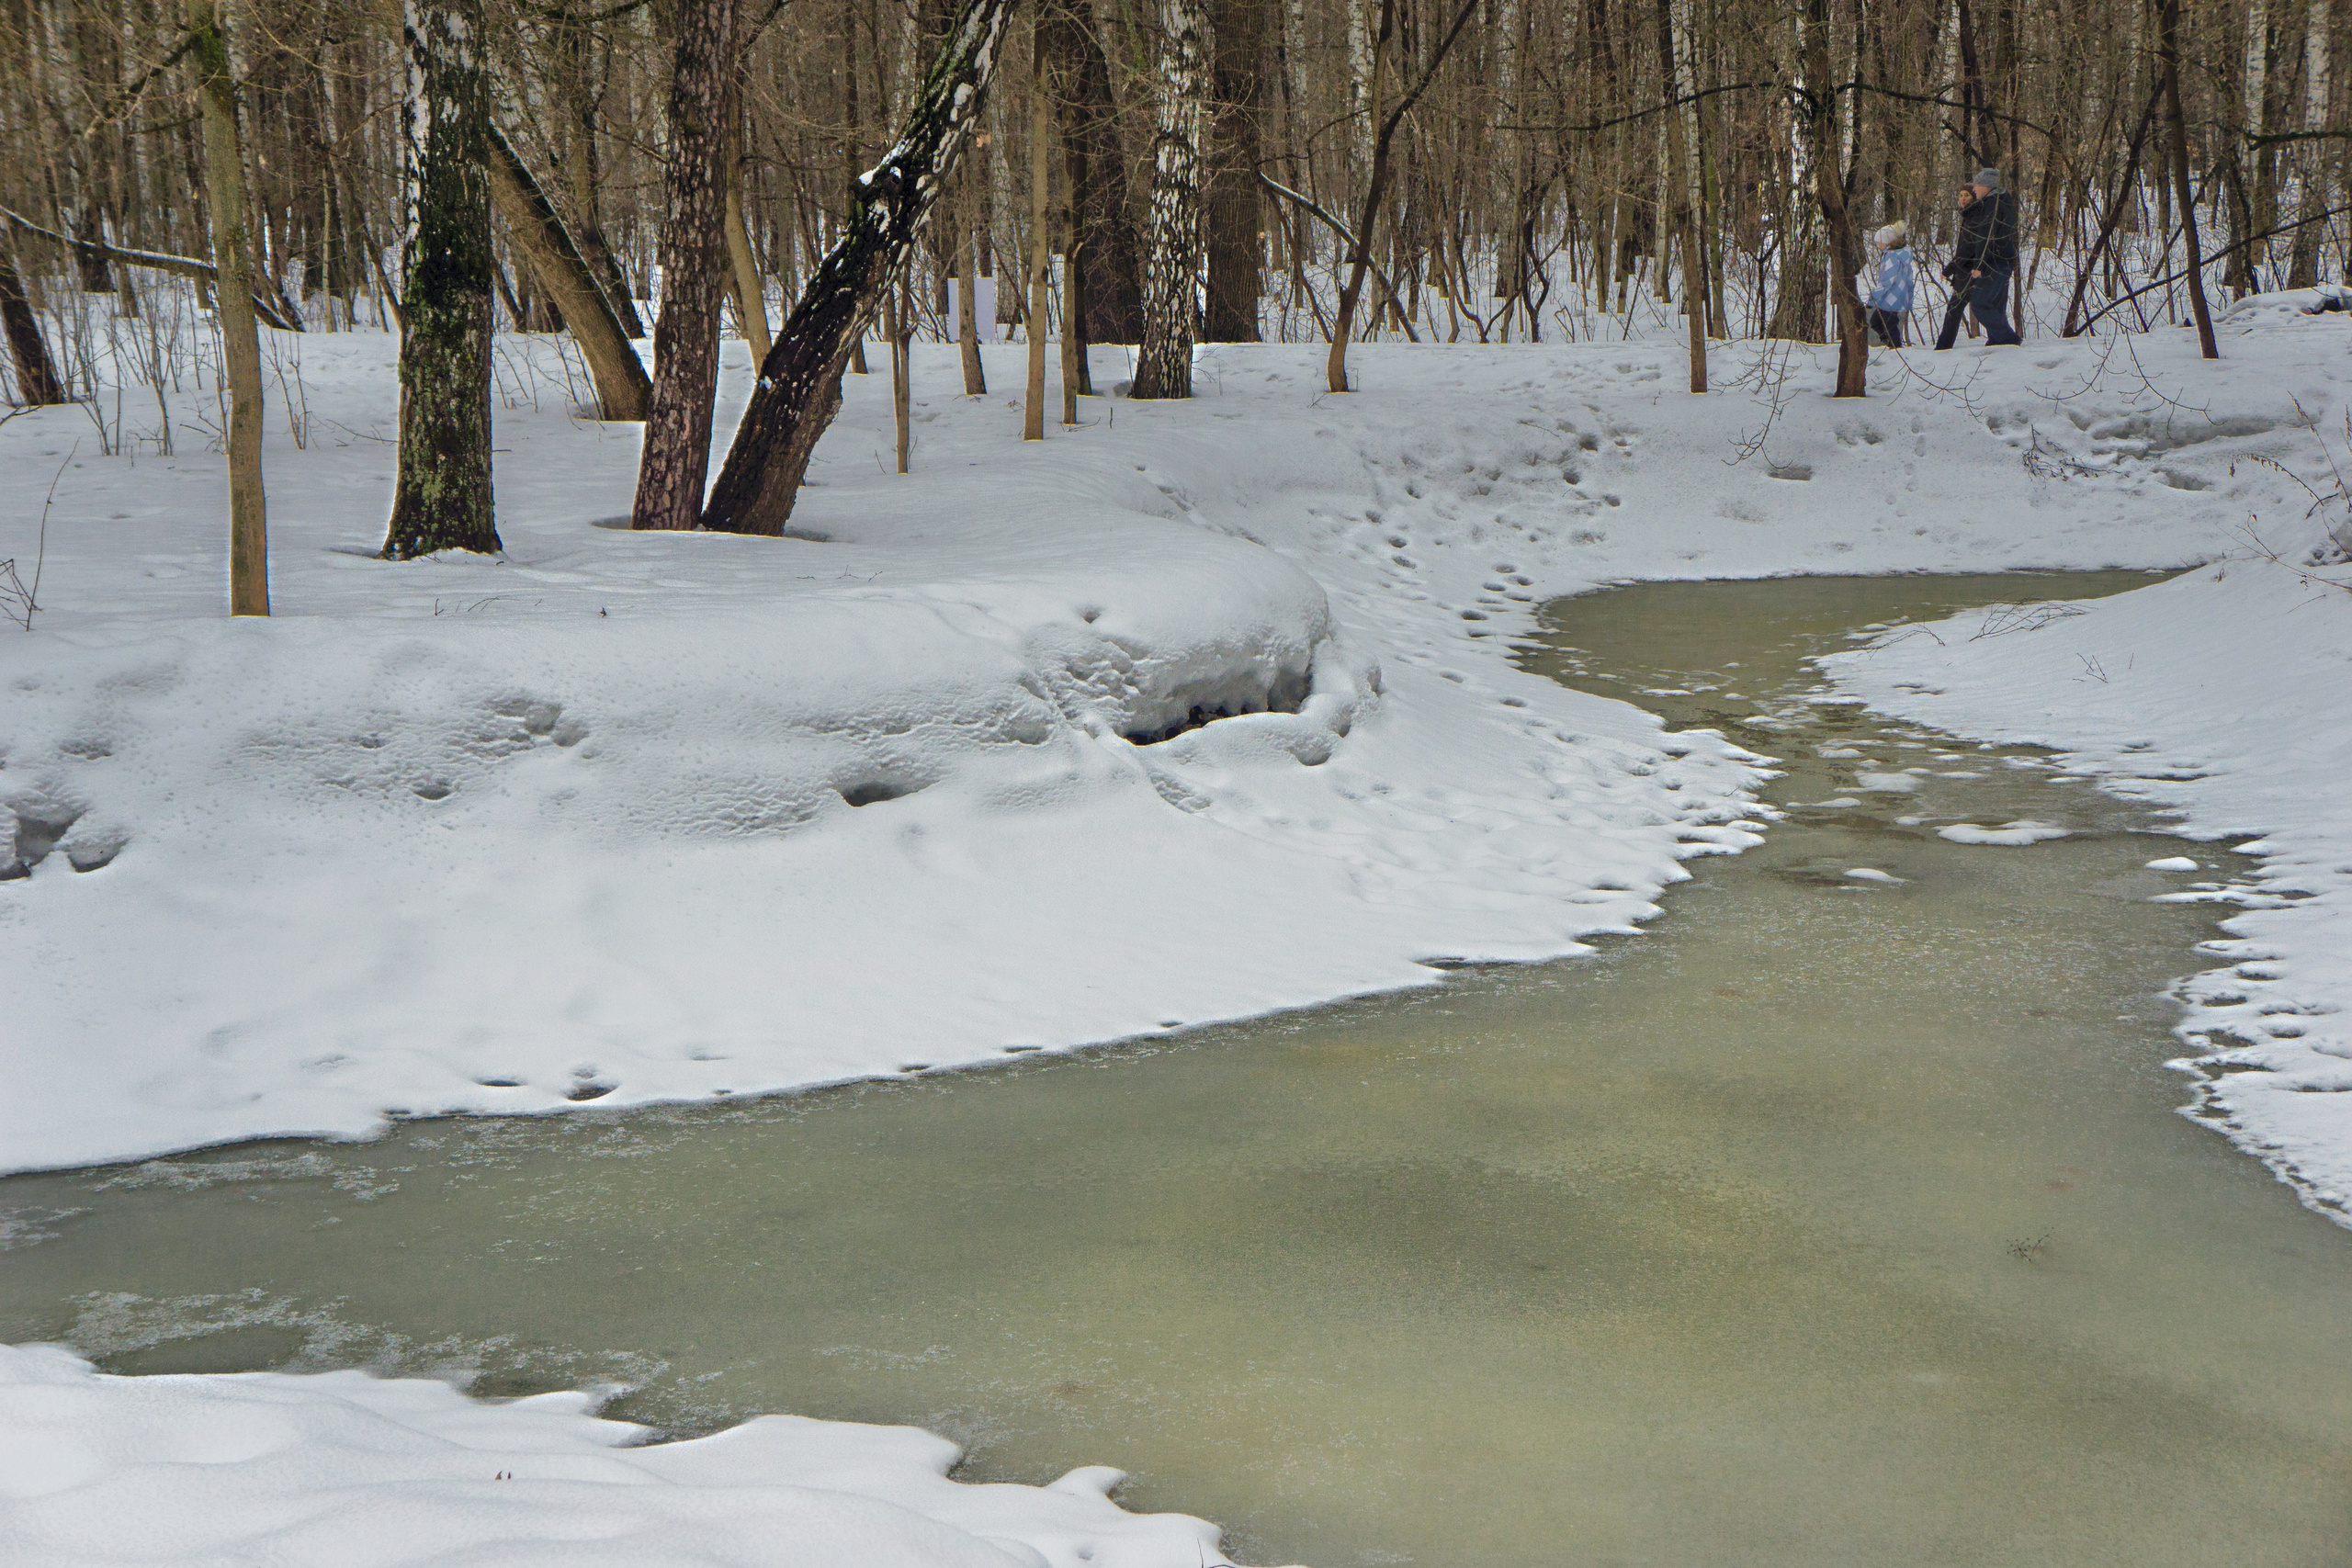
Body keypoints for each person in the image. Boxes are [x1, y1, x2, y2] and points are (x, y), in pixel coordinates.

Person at [1937, 168, 2020, 348]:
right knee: (1995, 304)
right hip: (1994, 261)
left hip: (1989, 263)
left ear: (1985, 186)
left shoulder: (1991, 205)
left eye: (1975, 186)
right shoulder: (1996, 202)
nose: (1973, 190)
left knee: (1979, 303)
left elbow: (1985, 237)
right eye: (1961, 195)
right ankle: (1998, 341)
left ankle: (2007, 338)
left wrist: (1976, 265)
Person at [1866, 222, 1915, 346]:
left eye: (1879, 242)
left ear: (1887, 241)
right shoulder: (1900, 254)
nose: (1877, 244)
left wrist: (1873, 298)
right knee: (1876, 321)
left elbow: (1887, 281)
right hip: (1897, 295)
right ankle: (1890, 344)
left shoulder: (1892, 257)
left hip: (1891, 296)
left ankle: (1896, 348)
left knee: (1889, 325)